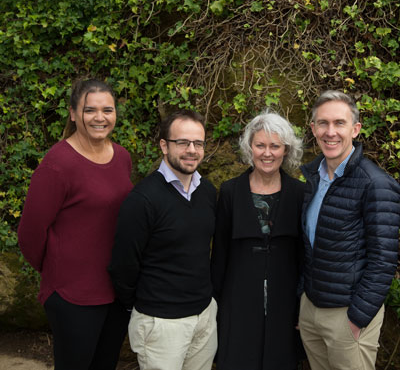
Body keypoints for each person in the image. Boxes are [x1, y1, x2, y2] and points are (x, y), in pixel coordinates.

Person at [17, 79, 133, 370]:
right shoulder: (57, 165)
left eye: (107, 109)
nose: (100, 117)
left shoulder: (122, 157)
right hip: (72, 295)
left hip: (114, 290)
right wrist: (59, 273)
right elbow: (30, 235)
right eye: (90, 110)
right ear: (72, 113)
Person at [298, 90, 400, 370]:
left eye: (339, 123)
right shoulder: (312, 178)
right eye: (323, 123)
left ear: (355, 129)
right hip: (312, 308)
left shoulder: (376, 184)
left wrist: (358, 317)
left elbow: (384, 260)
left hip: (348, 315)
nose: (330, 132)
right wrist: (303, 300)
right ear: (313, 129)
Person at [109, 110, 217, 370]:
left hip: (204, 316)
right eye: (183, 142)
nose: (192, 150)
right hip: (161, 323)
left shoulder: (208, 192)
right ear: (164, 145)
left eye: (198, 143)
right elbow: (123, 265)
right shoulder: (143, 200)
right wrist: (145, 305)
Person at [211, 111, 305, 370]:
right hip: (238, 300)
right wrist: (216, 303)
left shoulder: (299, 193)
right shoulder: (230, 191)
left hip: (284, 302)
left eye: (275, 146)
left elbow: (303, 255)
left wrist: (301, 302)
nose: (267, 153)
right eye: (260, 145)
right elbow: (220, 252)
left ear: (286, 150)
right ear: (249, 147)